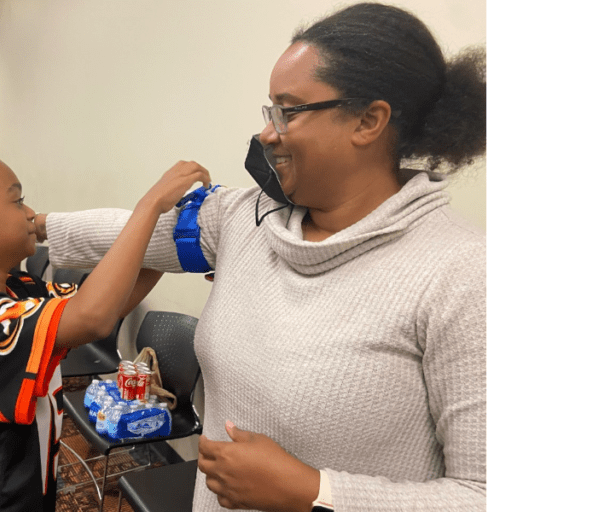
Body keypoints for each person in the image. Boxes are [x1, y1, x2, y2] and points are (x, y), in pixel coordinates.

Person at [32, 3, 486, 511]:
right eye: (270, 110)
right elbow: (135, 233)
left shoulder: (463, 275)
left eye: (288, 111)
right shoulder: (246, 218)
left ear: (368, 120)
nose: (268, 134)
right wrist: (40, 227)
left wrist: (316, 493)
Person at [0, 132, 210, 512]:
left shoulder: (16, 288)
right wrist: (149, 208)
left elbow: (110, 300)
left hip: (23, 490)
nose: (30, 213)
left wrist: (184, 245)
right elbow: (91, 319)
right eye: (17, 200)